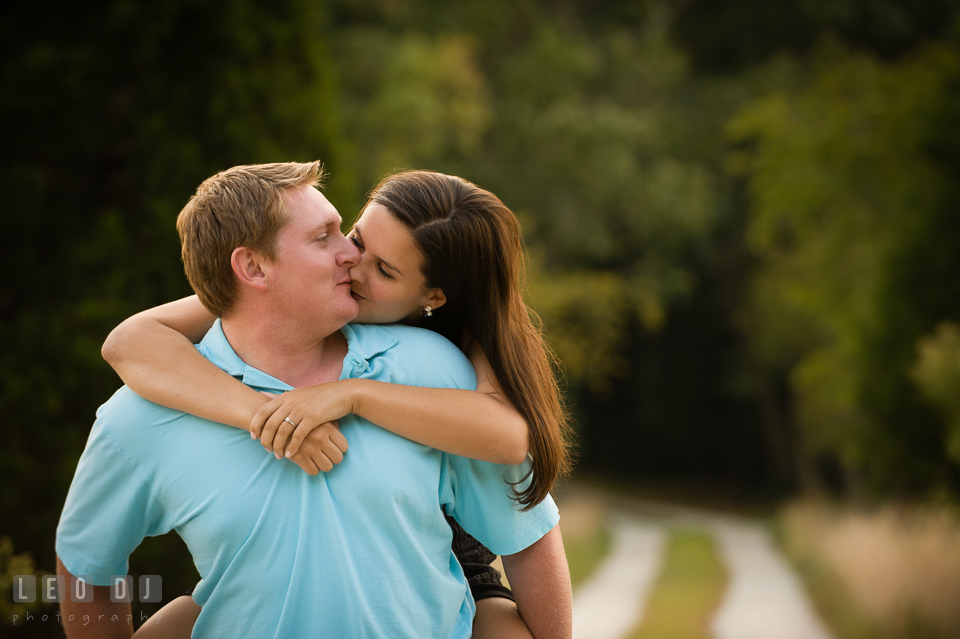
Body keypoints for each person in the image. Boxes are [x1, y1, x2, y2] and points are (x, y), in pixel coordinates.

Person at [56, 162, 572, 639]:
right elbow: (84, 565)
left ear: (432, 297)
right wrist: (259, 412)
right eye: (335, 236)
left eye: (385, 269)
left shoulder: (439, 366)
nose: (351, 258)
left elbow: (520, 504)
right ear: (254, 269)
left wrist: (353, 395)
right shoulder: (142, 413)